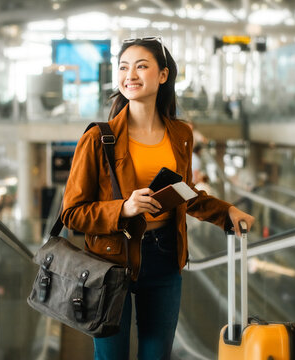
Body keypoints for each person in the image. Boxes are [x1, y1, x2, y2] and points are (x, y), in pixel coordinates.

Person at [61, 37, 255, 360]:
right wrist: (124, 208)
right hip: (110, 261)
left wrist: (226, 212)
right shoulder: (98, 137)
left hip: (165, 257)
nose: (130, 75)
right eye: (123, 67)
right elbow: (72, 213)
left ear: (163, 75)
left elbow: (184, 194)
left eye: (141, 66)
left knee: (157, 355)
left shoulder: (181, 135)